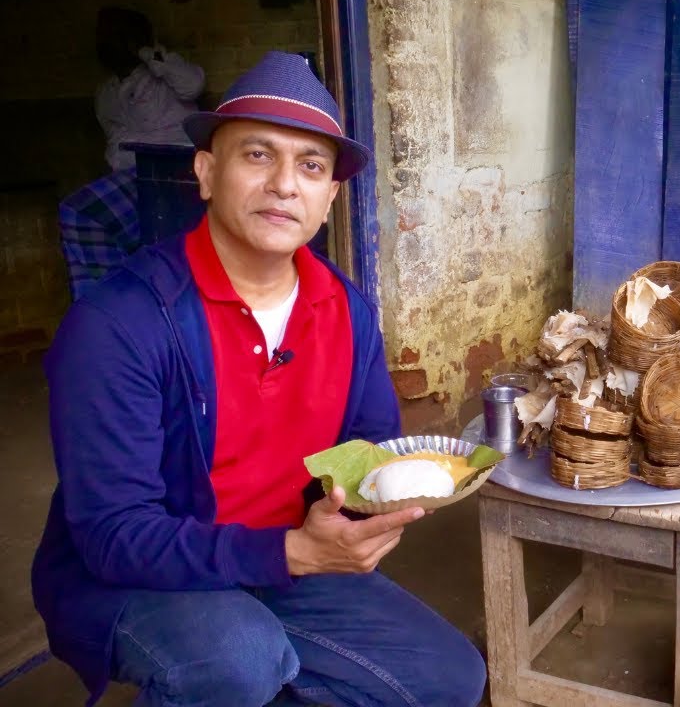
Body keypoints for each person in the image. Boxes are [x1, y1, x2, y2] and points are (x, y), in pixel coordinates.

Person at [31, 51, 488, 707]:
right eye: (256, 155)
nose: (284, 184)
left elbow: (366, 458)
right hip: (141, 573)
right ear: (206, 172)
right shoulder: (119, 324)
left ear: (330, 196)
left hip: (283, 554)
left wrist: (372, 512)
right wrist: (293, 553)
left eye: (310, 165)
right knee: (238, 661)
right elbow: (113, 536)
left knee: (449, 678)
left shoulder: (346, 311)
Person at [94, 7, 205, 171]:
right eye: (102, 37)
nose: (106, 43)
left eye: (115, 36)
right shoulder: (105, 92)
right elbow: (114, 142)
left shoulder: (164, 73)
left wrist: (146, 53)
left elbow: (193, 86)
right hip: (134, 178)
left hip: (179, 172)